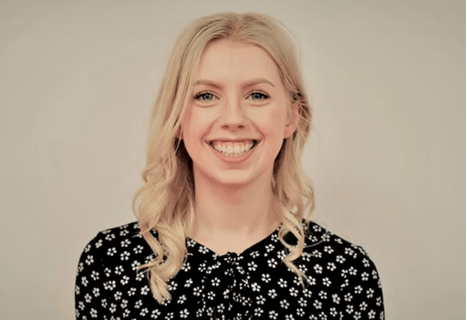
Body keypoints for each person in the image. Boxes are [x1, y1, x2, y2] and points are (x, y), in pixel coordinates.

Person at [74, 12, 385, 320]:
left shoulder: (347, 274)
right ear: (177, 118)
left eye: (257, 95)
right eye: (206, 95)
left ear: (293, 117)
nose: (233, 119)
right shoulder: (110, 264)